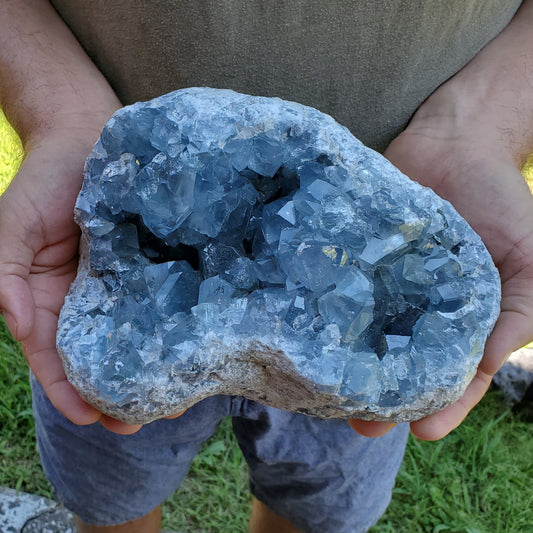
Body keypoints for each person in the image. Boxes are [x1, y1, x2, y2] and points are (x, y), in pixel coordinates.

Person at [1, 1, 532, 532]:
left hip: (366, 320)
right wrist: (58, 110)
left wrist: (484, 128)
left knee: (319, 509)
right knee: (108, 497)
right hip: (111, 262)